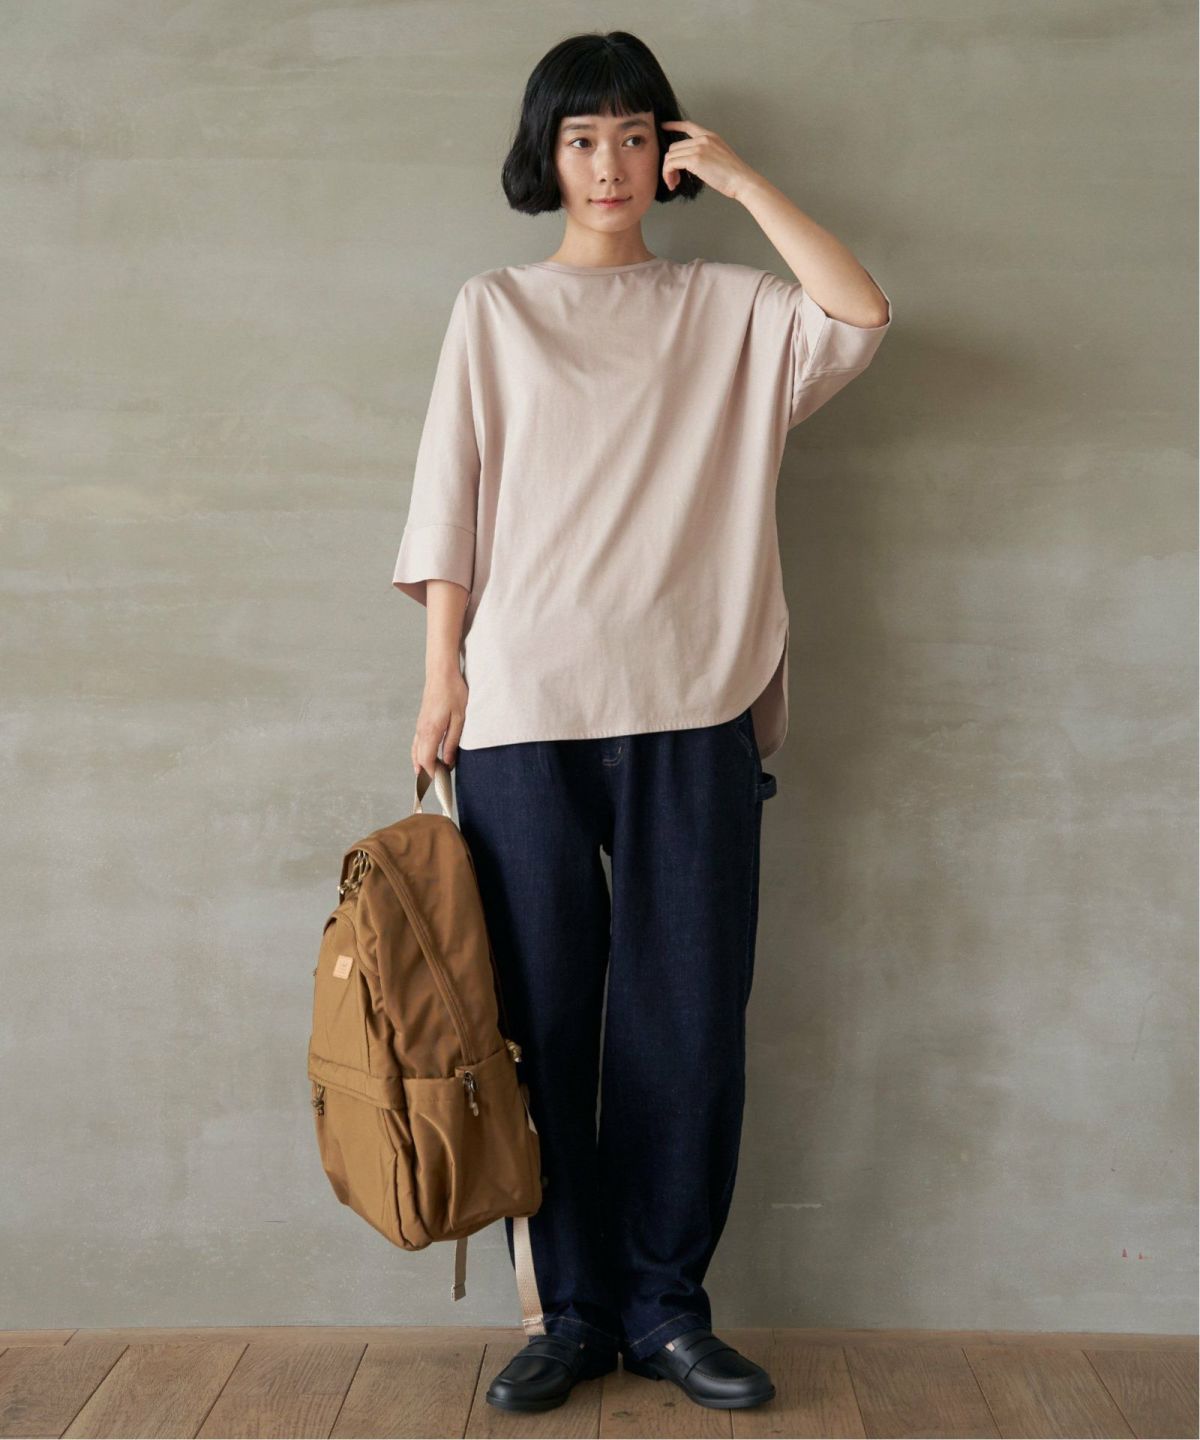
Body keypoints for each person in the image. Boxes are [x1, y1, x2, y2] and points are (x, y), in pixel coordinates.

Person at [392, 29, 892, 1415]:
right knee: (539, 1024)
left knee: (688, 1022)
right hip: (524, 706)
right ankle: (571, 1315)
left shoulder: (731, 310)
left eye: (632, 135)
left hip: (698, 699)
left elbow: (859, 315)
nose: (607, 163)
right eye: (580, 138)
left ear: (665, 151)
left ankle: (670, 1311)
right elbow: (450, 501)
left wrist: (741, 181)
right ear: (544, 156)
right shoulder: (495, 309)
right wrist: (440, 678)